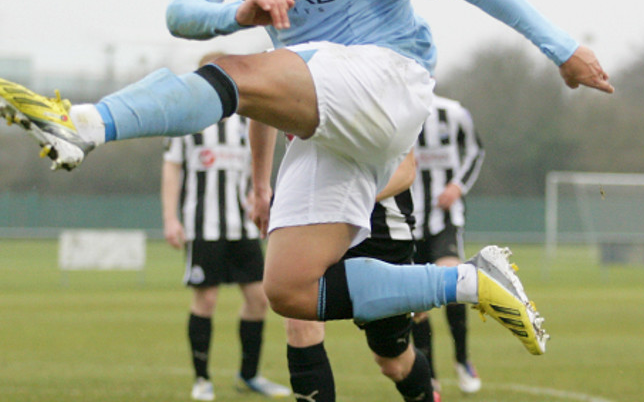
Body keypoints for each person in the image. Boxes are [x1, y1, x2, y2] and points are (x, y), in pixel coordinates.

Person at [0, 0, 613, 358]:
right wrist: (237, 11)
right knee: (290, 288)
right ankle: (471, 282)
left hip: (391, 79)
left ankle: (85, 124)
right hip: (327, 110)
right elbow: (180, 10)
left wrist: (561, 48)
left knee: (230, 70)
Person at [254, 120, 437, 402]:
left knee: (393, 361)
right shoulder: (291, 88)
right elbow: (258, 106)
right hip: (304, 205)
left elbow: (405, 170)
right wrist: (259, 188)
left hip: (379, 221)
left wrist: (343, 200)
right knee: (298, 320)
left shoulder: (385, 91)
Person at [161, 52, 290, 400]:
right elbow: (171, 168)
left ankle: (249, 375)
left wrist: (259, 195)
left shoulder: (246, 118)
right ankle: (202, 379)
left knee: (259, 298)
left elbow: (258, 163)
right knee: (206, 299)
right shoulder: (187, 120)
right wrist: (170, 218)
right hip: (203, 226)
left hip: (243, 225)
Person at [410, 94, 485, 394]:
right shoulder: (396, 110)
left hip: (445, 218)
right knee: (416, 302)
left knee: (453, 281)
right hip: (407, 220)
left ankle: (463, 359)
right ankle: (429, 375)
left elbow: (476, 150)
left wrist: (457, 186)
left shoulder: (452, 112)